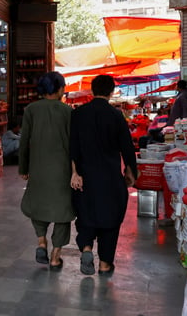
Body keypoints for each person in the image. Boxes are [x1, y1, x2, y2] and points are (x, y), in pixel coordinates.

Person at [70, 75, 138, 276]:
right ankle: (105, 264)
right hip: (110, 179)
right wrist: (130, 172)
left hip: (85, 177)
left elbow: (72, 146)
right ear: (111, 92)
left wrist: (74, 173)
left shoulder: (79, 114)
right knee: (110, 220)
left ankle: (87, 249)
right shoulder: (116, 115)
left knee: (86, 215)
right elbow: (127, 147)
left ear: (92, 91)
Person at [18, 72, 74, 271]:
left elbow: (24, 142)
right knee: (63, 212)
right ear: (59, 89)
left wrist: (23, 168)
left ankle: (41, 241)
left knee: (37, 205)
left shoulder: (31, 109)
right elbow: (74, 145)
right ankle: (55, 256)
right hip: (62, 170)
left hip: (38, 168)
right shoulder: (68, 112)